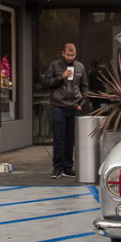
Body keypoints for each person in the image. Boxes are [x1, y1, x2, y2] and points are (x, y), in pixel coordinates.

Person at [42, 43, 88, 179]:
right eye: (68, 55)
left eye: (73, 55)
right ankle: (57, 169)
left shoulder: (80, 67)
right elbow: (45, 83)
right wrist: (61, 77)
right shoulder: (55, 65)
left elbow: (84, 86)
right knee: (58, 139)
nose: (70, 57)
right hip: (59, 106)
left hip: (74, 107)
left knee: (71, 139)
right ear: (63, 53)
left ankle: (68, 167)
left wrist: (81, 103)